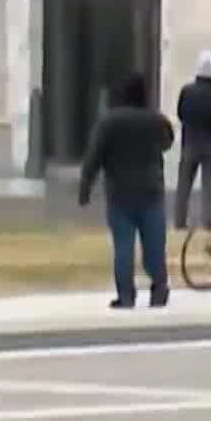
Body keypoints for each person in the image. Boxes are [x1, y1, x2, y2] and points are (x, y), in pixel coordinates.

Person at [77, 73, 176, 309]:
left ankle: (126, 295)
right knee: (154, 244)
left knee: (123, 245)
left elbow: (94, 155)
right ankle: (159, 288)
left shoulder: (109, 122)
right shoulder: (156, 120)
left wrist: (85, 186)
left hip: (119, 192)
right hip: (151, 190)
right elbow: (167, 142)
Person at [173, 51, 211, 230]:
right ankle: (209, 221)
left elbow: (180, 113)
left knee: (184, 184)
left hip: (190, 140)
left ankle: (179, 221)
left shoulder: (187, 90)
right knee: (209, 185)